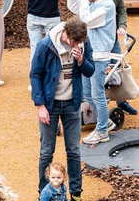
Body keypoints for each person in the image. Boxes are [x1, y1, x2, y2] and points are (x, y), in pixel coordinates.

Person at [30, 17, 94, 201]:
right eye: (73, 41)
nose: (75, 44)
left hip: (71, 103)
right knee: (46, 152)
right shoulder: (46, 45)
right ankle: (44, 194)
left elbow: (90, 70)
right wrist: (41, 106)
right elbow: (35, 75)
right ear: (65, 33)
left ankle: (76, 193)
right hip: (50, 104)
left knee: (73, 150)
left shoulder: (83, 43)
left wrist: (81, 60)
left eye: (78, 42)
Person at [67, 0, 116, 145]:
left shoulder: (106, 5)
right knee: (87, 93)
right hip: (90, 53)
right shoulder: (92, 1)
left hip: (100, 55)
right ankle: (106, 122)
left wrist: (86, 0)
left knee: (97, 94)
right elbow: (73, 6)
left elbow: (86, 20)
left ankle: (102, 130)